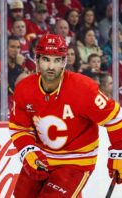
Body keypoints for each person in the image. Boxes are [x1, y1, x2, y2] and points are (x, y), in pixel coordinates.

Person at [9, 33, 122, 197]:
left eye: (57, 60)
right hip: (43, 156)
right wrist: (28, 151)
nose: (51, 66)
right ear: (37, 59)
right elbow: (19, 127)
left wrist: (118, 152)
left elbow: (116, 117)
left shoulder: (82, 88)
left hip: (76, 160)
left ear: (64, 62)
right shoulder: (24, 89)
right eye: (46, 59)